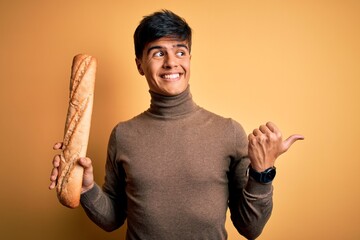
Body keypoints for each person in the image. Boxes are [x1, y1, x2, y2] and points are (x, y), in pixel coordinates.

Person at [49, 10, 303, 240]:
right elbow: (112, 219)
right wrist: (86, 189)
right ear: (139, 64)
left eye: (180, 52)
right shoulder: (123, 135)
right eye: (158, 53)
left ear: (189, 59)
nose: (171, 62)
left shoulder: (228, 132)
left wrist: (262, 173)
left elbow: (250, 228)